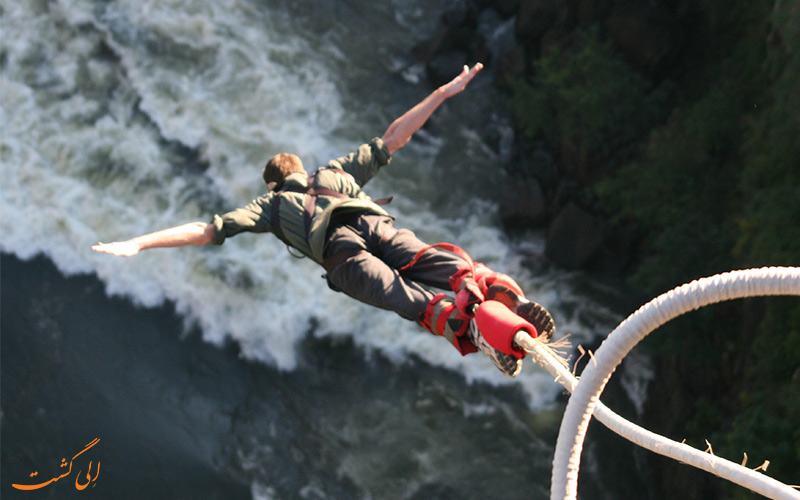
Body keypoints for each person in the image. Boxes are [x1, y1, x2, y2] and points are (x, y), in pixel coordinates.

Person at [93, 63, 553, 377]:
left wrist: (138, 243)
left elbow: (207, 231)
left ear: (274, 184)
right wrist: (443, 92)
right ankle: (492, 290)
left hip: (345, 258)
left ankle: (474, 329)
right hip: (378, 227)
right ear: (301, 168)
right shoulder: (334, 172)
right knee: (449, 267)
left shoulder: (270, 207)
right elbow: (397, 135)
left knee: (418, 304)